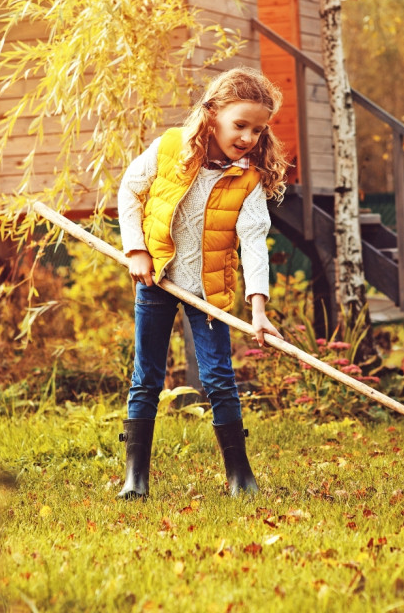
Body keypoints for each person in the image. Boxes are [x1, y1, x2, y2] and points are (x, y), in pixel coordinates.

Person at [115, 67, 290, 499]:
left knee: (219, 378)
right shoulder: (171, 148)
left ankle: (240, 476)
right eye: (240, 125)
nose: (248, 137)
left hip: (208, 291)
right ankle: (135, 478)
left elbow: (253, 243)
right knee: (147, 377)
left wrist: (259, 310)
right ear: (211, 115)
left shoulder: (248, 179)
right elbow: (130, 191)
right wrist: (136, 249)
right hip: (156, 279)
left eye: (257, 130)